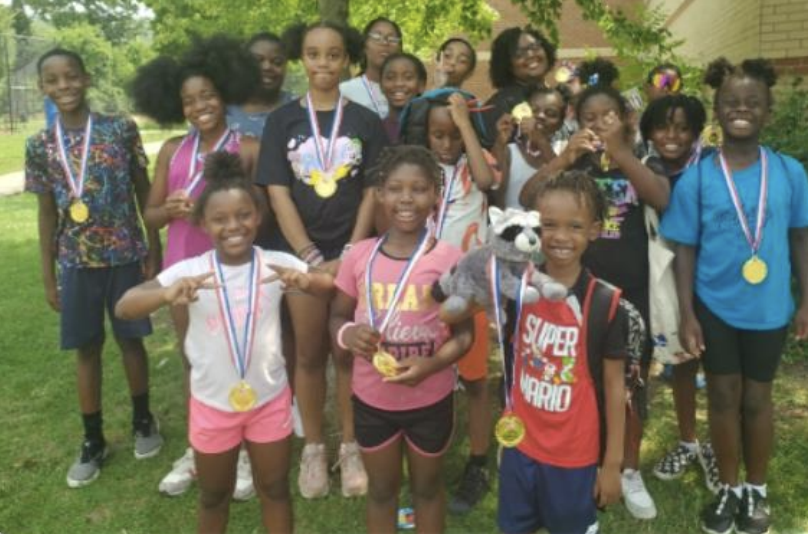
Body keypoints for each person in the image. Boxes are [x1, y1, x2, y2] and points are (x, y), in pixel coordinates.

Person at [116, 152, 330, 534]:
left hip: (269, 402)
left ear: (258, 217)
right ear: (202, 223)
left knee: (275, 490)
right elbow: (125, 307)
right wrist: (165, 296)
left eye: (243, 215)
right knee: (214, 497)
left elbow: (328, 283)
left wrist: (308, 282)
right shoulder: (190, 270)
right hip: (212, 406)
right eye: (220, 219)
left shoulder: (275, 263)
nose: (234, 226)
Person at [661, 57, 808, 534]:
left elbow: (800, 239)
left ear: (767, 111)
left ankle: (756, 490)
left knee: (758, 399)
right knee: (723, 396)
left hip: (768, 308)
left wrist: (806, 300)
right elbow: (685, 248)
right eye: (730, 102)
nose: (740, 109)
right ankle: (728, 488)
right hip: (713, 308)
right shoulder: (700, 177)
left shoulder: (789, 173)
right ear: (717, 110)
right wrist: (687, 313)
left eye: (752, 103)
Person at [520, 58, 671, 520]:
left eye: (608, 117)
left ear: (625, 118)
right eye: (589, 119)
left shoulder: (641, 158)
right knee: (578, 380)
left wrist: (621, 151)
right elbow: (528, 200)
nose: (598, 125)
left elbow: (661, 197)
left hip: (630, 297)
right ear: (575, 122)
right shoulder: (573, 163)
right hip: (573, 295)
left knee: (630, 385)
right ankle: (581, 458)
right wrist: (565, 157)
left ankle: (628, 468)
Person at [257, 20, 389, 498]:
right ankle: (314, 446)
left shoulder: (365, 122)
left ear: (346, 59)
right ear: (302, 59)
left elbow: (374, 190)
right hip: (301, 260)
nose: (323, 64)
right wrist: (311, 257)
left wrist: (351, 252)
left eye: (334, 55)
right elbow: (277, 193)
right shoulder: (282, 121)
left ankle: (351, 444)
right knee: (310, 353)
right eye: (314, 54)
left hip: (355, 255)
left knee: (347, 353)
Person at [130, 34, 261, 500]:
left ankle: (243, 449)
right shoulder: (171, 150)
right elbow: (150, 214)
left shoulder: (247, 147)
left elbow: (257, 211)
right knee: (193, 358)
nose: (199, 105)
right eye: (188, 100)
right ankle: (198, 446)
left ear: (223, 93)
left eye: (207, 95)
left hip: (231, 269)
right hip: (183, 266)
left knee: (235, 356)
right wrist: (170, 209)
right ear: (176, 106)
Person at [25, 47, 163, 488]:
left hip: (124, 255)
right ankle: (93, 439)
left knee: (131, 342)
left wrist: (153, 248)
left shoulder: (119, 130)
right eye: (53, 80)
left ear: (85, 79)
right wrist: (49, 275)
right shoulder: (40, 146)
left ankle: (143, 420)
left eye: (71, 77)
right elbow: (47, 214)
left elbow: (145, 193)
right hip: (76, 262)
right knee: (86, 349)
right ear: (42, 87)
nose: (63, 86)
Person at [329, 145, 475, 533]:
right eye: (395, 188)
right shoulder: (359, 256)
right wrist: (349, 334)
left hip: (431, 400)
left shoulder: (449, 259)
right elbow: (337, 316)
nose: (407, 198)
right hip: (372, 401)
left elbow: (464, 336)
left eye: (419, 189)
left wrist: (432, 365)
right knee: (381, 491)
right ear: (380, 194)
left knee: (427, 490)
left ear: (434, 196)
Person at [498, 170, 626, 534]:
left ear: (594, 230)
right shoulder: (517, 285)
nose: (560, 237)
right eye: (549, 225)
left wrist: (613, 464)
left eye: (574, 226)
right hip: (520, 445)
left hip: (574, 457)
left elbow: (616, 388)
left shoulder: (605, 303)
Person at [420, 92, 500, 514]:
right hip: (423, 288)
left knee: (474, 379)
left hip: (470, 288)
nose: (447, 143)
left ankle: (479, 463)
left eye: (454, 135)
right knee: (432, 371)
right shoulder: (420, 170)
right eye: (439, 134)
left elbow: (488, 183)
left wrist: (465, 123)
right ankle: (429, 455)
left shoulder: (477, 163)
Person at [638, 94, 720, 494]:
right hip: (668, 282)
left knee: (724, 372)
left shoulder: (713, 166)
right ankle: (689, 441)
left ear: (697, 131)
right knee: (684, 362)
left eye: (683, 127)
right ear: (648, 131)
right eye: (662, 126)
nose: (672, 135)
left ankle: (723, 449)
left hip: (718, 279)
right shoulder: (644, 169)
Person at [492, 84, 570, 210]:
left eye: (550, 113)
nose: (541, 116)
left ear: (560, 123)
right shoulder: (509, 151)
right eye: (534, 110)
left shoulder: (565, 152)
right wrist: (499, 142)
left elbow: (564, 186)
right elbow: (496, 194)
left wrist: (540, 140)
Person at [482, 26, 557, 147]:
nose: (531, 54)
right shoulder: (500, 106)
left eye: (535, 47)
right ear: (507, 64)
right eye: (519, 54)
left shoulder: (556, 95)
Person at [227, 32, 296, 139]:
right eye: (257, 60)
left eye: (277, 62)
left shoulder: (300, 108)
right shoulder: (222, 110)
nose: (267, 67)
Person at [339, 17, 403, 119]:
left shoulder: (407, 90)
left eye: (392, 39)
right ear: (365, 45)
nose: (385, 43)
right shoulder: (345, 91)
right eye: (377, 37)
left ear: (399, 48)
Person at [379, 52, 427, 144]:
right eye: (390, 78)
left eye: (408, 78)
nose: (399, 83)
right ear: (381, 85)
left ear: (421, 85)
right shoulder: (375, 129)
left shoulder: (430, 128)